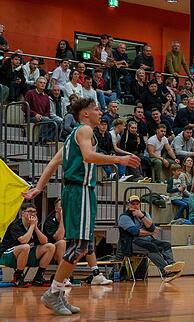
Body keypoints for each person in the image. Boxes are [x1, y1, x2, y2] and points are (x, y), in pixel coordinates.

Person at [23, 97, 140, 315]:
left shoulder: (71, 137)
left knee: (80, 246)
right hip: (80, 191)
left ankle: (57, 293)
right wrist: (118, 159)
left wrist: (39, 188)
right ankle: (53, 292)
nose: (100, 112)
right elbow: (88, 156)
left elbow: (52, 163)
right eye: (96, 109)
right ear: (85, 114)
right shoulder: (85, 130)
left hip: (76, 192)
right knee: (80, 246)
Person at [42, 198, 112, 286]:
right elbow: (59, 237)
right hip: (52, 252)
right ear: (57, 209)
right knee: (62, 243)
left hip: (70, 249)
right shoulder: (50, 221)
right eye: (62, 207)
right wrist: (63, 218)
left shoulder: (72, 219)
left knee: (87, 242)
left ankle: (96, 274)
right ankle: (63, 278)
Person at [117, 195, 185, 282]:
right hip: (131, 243)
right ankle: (165, 271)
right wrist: (150, 232)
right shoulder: (124, 217)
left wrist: (141, 217)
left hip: (147, 239)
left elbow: (151, 227)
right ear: (128, 205)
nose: (135, 206)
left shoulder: (144, 214)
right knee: (150, 246)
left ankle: (172, 265)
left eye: (137, 204)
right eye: (133, 204)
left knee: (166, 244)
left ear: (140, 205)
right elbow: (135, 232)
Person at [0, 202, 57, 287]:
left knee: (50, 247)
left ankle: (38, 277)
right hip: (7, 255)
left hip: (24, 254)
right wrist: (32, 226)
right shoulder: (15, 225)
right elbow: (24, 241)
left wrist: (36, 227)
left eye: (34, 212)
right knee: (25, 247)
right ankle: (18, 277)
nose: (32, 214)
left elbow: (45, 241)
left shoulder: (33, 225)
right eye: (29, 211)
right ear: (23, 213)